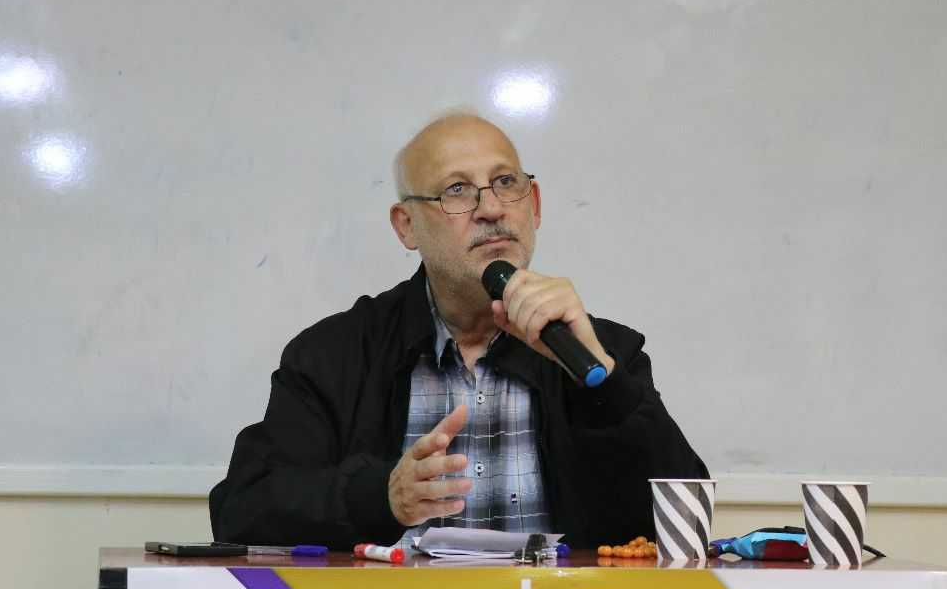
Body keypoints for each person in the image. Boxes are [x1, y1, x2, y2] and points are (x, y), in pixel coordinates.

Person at [210, 112, 707, 550]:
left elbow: (685, 520)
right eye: (457, 190)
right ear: (406, 226)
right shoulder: (336, 355)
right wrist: (382, 497)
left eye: (506, 183)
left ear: (534, 205)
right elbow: (243, 510)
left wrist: (605, 387)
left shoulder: (605, 351)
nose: (491, 209)